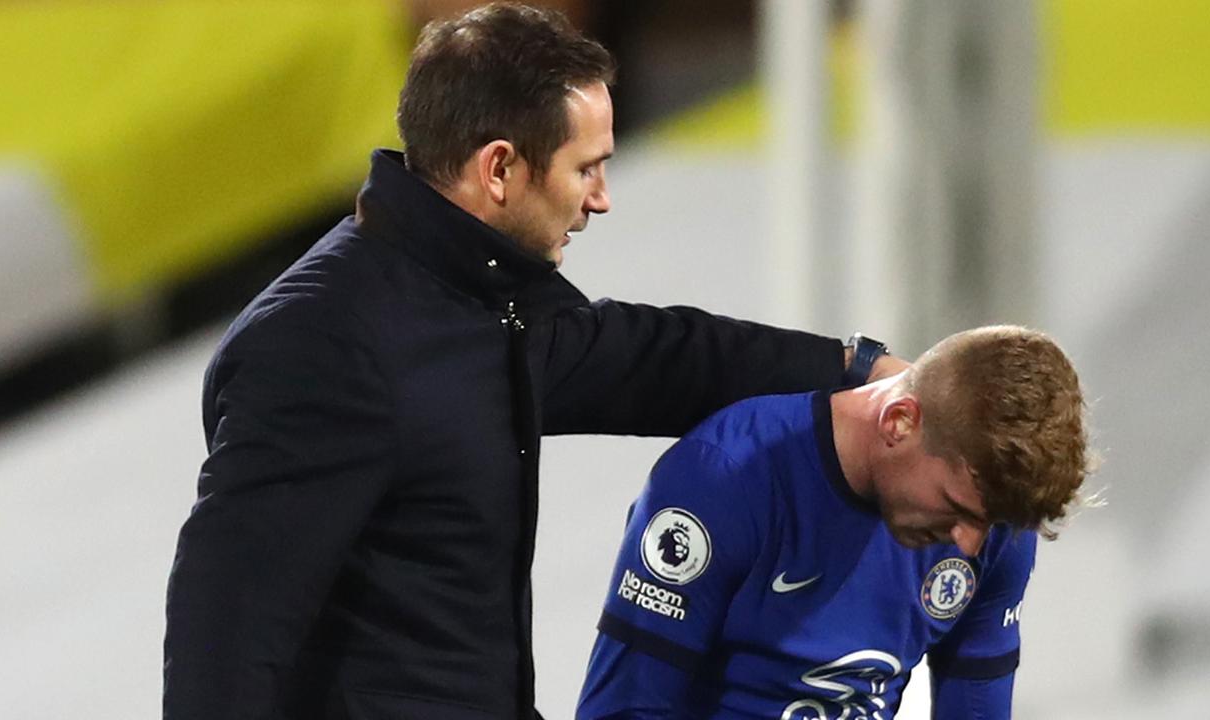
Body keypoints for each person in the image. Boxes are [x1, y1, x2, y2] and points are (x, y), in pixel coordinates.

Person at [162, 4, 902, 719]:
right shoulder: (323, 342)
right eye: (586, 169)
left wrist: (862, 374)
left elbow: (662, 360)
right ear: (500, 170)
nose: (601, 201)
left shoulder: (487, 299)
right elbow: (229, 615)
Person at [577, 325, 1094, 719]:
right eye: (956, 509)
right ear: (899, 423)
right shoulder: (725, 477)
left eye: (988, 524)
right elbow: (625, 708)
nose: (967, 543)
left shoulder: (993, 517)